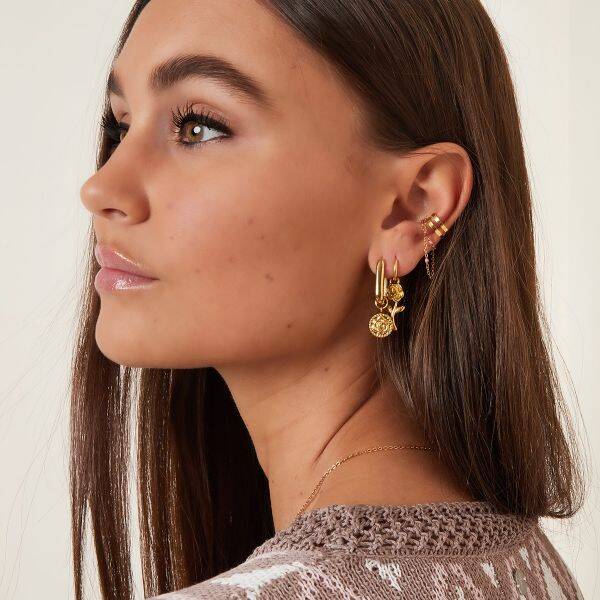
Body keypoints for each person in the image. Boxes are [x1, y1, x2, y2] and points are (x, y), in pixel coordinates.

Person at [74, 0, 586, 598]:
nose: (102, 187)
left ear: (412, 208)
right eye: (121, 125)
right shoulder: (524, 563)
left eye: (198, 127)